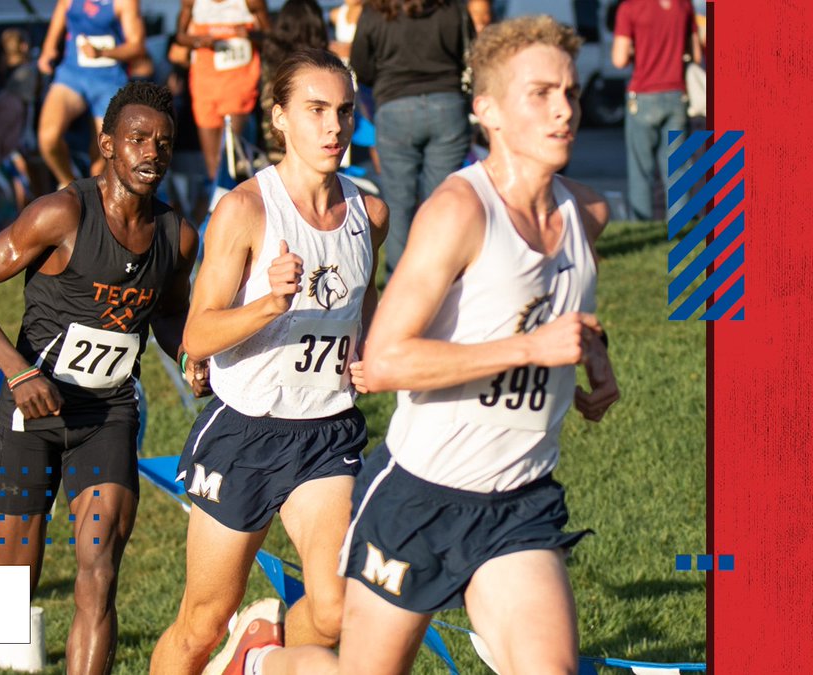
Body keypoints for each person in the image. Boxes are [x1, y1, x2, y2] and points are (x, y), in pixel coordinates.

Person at [218, 17, 621, 675]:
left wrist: (594, 354)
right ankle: (265, 659)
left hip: (519, 501)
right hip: (420, 497)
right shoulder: (460, 212)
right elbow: (383, 359)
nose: (564, 110)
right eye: (541, 93)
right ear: (486, 110)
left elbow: (551, 313)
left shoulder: (587, 214)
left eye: (570, 93)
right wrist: (530, 350)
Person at [0, 81, 206, 675]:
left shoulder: (176, 235)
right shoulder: (63, 213)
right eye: (137, 139)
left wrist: (192, 356)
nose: (151, 153)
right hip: (33, 409)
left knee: (100, 569)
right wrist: (16, 372)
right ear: (107, 144)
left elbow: (166, 313)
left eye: (163, 144)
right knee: (13, 597)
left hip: (108, 414)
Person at [150, 48, 388, 675]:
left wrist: (365, 345)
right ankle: (240, 646)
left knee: (336, 609)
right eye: (315, 111)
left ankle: (264, 654)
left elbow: (363, 298)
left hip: (327, 431)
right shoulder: (246, 210)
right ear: (279, 117)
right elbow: (195, 336)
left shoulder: (371, 214)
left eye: (342, 111)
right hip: (246, 432)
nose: (334, 127)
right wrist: (270, 304)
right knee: (201, 625)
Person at [352, 0, 473, 283]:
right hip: (447, 104)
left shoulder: (376, 9)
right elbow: (470, 54)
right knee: (442, 202)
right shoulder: (452, 7)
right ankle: (443, 283)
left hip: (395, 105)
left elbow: (361, 65)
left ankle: (399, 285)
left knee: (398, 202)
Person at [37, 0, 147, 189]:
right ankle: (70, 187)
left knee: (104, 157)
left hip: (109, 81)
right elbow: (59, 17)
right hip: (72, 75)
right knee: (48, 138)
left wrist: (103, 52)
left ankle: (95, 201)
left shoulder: (124, 3)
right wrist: (48, 50)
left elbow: (137, 47)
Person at [612, 0, 701, 221]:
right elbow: (696, 55)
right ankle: (681, 227)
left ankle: (642, 227)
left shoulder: (630, 8)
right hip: (676, 94)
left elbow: (619, 59)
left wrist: (637, 49)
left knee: (642, 171)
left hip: (642, 96)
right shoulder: (684, 5)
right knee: (677, 169)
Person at [175, 0, 271, 180]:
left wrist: (250, 34)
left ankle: (236, 196)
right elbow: (180, 36)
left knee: (231, 157)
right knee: (212, 163)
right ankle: (219, 201)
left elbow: (271, 35)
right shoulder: (193, 2)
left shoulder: (250, 2)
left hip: (239, 86)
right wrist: (198, 40)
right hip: (204, 86)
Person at [260, 0, 330, 164]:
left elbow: (265, 101)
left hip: (275, 141)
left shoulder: (270, 60)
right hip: (315, 143)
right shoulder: (322, 63)